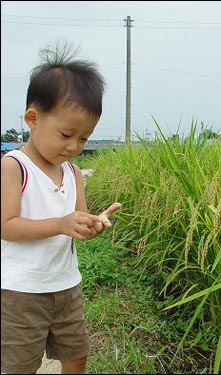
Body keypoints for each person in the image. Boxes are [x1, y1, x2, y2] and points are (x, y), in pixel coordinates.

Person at [1, 42, 121, 374]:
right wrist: (61, 223)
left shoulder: (74, 173)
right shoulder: (14, 167)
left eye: (84, 139)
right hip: (20, 291)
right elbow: (6, 226)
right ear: (33, 118)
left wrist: (92, 225)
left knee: (76, 355)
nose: (74, 147)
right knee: (19, 365)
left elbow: (75, 223)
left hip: (66, 285)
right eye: (67, 134)